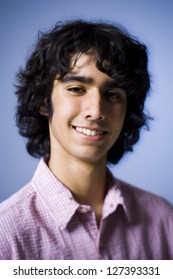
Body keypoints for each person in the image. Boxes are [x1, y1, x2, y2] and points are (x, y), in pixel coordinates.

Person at [0, 19, 173, 260]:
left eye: (112, 94)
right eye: (77, 89)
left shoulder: (163, 219)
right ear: (42, 101)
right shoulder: (6, 234)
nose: (96, 110)